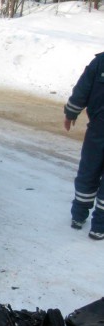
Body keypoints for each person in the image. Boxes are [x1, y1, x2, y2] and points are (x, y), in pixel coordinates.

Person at [64, 51, 104, 240]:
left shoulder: (100, 62)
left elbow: (82, 90)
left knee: (88, 170)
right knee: (88, 171)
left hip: (97, 129)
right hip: (98, 128)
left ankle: (78, 217)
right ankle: (99, 227)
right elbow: (84, 88)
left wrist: (71, 113)